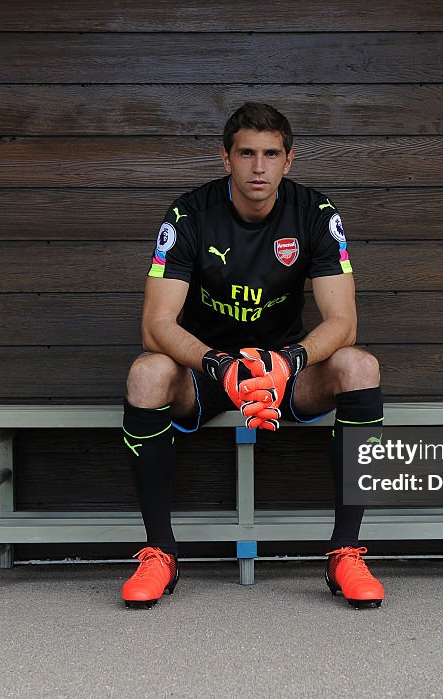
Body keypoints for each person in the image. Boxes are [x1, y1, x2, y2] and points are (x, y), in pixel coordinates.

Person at [121, 102, 384, 609]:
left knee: (359, 365)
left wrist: (288, 361)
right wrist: (219, 364)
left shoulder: (315, 213)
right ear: (225, 158)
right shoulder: (188, 214)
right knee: (147, 373)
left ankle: (345, 552)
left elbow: (343, 322)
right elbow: (156, 325)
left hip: (284, 371)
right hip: (206, 372)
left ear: (289, 160)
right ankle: (159, 552)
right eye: (246, 153)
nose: (258, 167)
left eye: (270, 154)